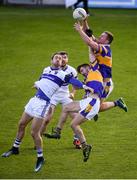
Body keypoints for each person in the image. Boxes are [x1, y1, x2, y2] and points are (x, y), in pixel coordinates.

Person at [1, 52, 93, 172]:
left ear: (61, 63)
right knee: (21, 124)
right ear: (51, 60)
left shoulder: (62, 74)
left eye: (61, 59)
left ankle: (40, 157)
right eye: (57, 57)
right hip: (33, 100)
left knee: (34, 133)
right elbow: (41, 79)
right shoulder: (46, 69)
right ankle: (15, 148)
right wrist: (37, 84)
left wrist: (86, 87)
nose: (59, 59)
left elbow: (75, 82)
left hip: (43, 104)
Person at [62, 63, 104, 162]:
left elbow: (94, 59)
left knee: (74, 124)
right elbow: (77, 87)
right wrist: (71, 79)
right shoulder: (87, 78)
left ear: (88, 68)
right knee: (70, 115)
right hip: (87, 103)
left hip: (92, 103)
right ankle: (85, 146)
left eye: (82, 71)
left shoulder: (94, 72)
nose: (82, 73)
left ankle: (60, 132)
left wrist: (91, 47)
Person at [39, 51, 79, 147]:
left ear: (67, 59)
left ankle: (77, 140)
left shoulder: (72, 71)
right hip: (52, 96)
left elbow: (75, 84)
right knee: (47, 119)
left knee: (76, 118)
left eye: (65, 57)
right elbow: (42, 80)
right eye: (61, 58)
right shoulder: (49, 69)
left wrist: (72, 93)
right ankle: (38, 140)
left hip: (65, 96)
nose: (63, 59)